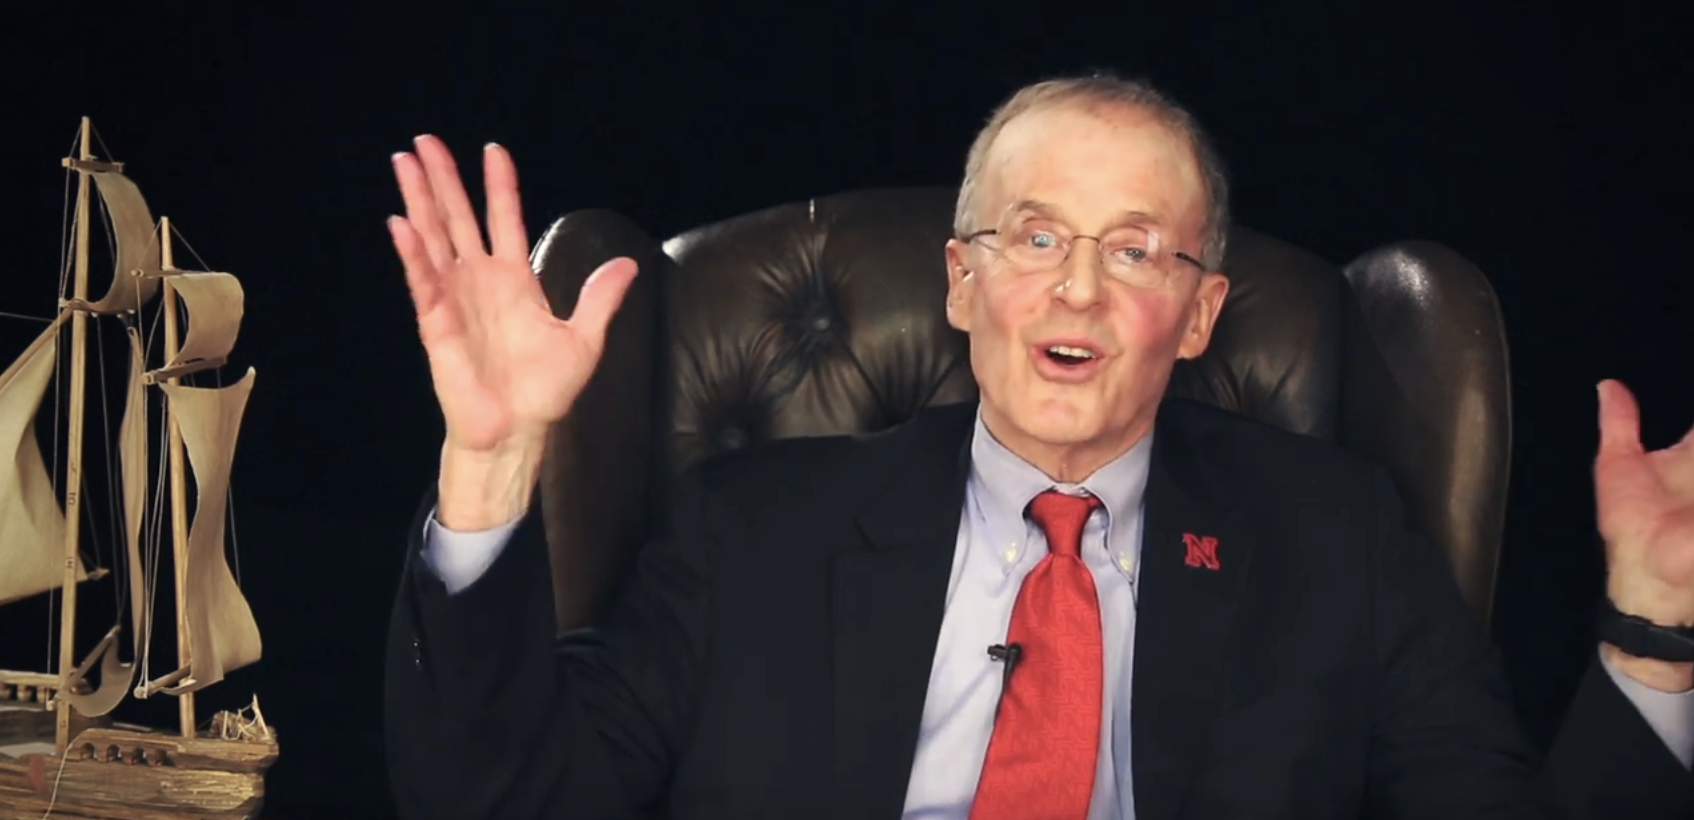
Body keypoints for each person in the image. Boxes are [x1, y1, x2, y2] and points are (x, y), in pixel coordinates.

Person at [381, 75, 1694, 819]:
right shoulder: (746, 530)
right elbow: (510, 803)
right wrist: (488, 467)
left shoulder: (1336, 537)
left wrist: (1654, 627)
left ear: (1199, 316)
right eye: (1035, 238)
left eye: (1135, 250)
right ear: (962, 285)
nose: (1076, 291)